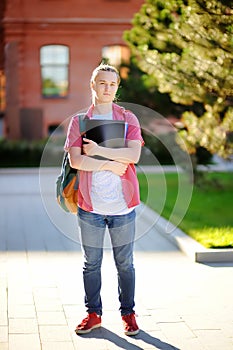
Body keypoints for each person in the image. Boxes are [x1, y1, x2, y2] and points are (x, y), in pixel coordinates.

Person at [64, 63, 144, 336]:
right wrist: (109, 164)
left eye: (112, 84)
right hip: (91, 206)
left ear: (117, 87)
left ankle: (129, 314)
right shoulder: (79, 122)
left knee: (126, 264)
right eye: (102, 83)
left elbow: (133, 156)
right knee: (91, 264)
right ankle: (93, 314)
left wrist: (98, 151)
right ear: (93, 86)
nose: (107, 88)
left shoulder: (128, 119)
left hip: (122, 207)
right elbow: (76, 160)